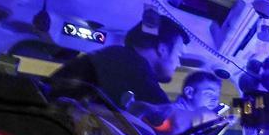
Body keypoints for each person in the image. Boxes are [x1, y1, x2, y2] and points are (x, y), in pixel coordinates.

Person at [51, 14, 189, 109]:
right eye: (178, 55)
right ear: (162, 49)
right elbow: (165, 119)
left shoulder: (115, 57)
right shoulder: (133, 66)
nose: (178, 64)